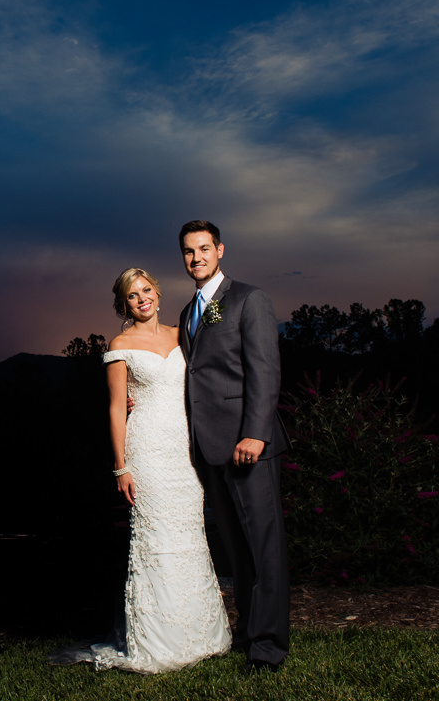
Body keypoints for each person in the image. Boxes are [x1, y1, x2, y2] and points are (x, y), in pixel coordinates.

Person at [50, 267, 231, 673]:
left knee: (189, 537)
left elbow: (219, 322)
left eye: (146, 290)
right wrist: (121, 467)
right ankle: (156, 640)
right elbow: (116, 407)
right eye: (132, 296)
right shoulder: (120, 344)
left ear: (158, 293)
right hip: (146, 449)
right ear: (123, 304)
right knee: (155, 539)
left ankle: (200, 636)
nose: (141, 299)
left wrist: (218, 306)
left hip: (186, 451)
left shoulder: (184, 331)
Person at [178, 220, 290, 674]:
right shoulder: (189, 311)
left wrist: (256, 432)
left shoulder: (248, 299)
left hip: (248, 444)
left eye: (204, 249)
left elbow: (265, 368)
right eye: (188, 251)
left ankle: (268, 648)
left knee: (265, 547)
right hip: (210, 448)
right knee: (237, 550)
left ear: (220, 250)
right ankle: (248, 630)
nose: (196, 257)